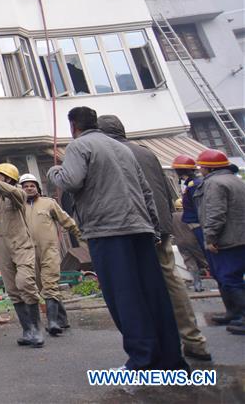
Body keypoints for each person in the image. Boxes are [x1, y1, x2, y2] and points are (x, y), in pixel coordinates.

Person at [47, 107, 186, 371]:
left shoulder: (79, 146)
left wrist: (54, 172)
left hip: (108, 230)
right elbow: (146, 191)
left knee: (124, 295)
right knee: (153, 294)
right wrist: (153, 228)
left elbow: (71, 180)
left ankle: (141, 360)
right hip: (141, 230)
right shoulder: (122, 148)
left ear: (73, 126)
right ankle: (170, 359)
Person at [98, 115, 212, 361]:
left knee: (136, 288)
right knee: (169, 281)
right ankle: (193, 339)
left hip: (136, 230)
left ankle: (155, 349)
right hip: (160, 225)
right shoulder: (147, 153)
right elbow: (165, 190)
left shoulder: (108, 154)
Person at [0, 164, 43, 348]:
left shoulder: (17, 194)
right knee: (13, 290)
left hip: (21, 245)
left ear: (9, 178)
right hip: (2, 248)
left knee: (25, 283)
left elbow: (7, 190)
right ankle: (27, 330)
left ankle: (37, 329)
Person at [19, 173, 81, 336]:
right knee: (42, 287)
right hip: (29, 253)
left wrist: (81, 236)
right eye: (25, 186)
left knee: (50, 284)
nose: (29, 188)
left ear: (38, 188)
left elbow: (66, 220)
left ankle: (52, 322)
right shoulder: (18, 207)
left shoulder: (49, 203)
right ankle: (62, 319)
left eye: (32, 185)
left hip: (49, 250)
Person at [194, 149, 245, 336]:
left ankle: (241, 316)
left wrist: (210, 237)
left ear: (208, 167)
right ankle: (234, 313)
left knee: (230, 278)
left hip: (228, 239)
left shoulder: (214, 184)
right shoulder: (235, 179)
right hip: (239, 236)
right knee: (234, 277)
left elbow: (215, 213)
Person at [172, 155, 209, 292]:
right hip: (194, 233)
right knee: (206, 260)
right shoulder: (193, 183)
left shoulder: (193, 185)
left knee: (193, 262)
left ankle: (198, 285)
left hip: (189, 233)